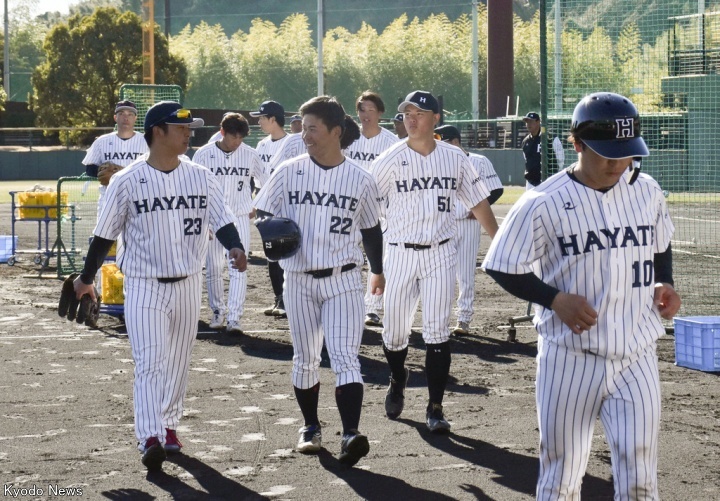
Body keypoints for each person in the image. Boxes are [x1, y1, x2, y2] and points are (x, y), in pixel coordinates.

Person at [482, 92, 681, 500]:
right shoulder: (543, 201)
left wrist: (664, 281)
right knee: (562, 473)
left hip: (636, 353)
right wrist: (553, 298)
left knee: (642, 473)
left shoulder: (646, 191)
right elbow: (500, 263)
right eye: (606, 153)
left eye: (625, 153)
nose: (616, 164)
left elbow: (660, 243)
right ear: (576, 143)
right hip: (570, 357)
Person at [71, 101, 248, 472]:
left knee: (178, 364)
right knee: (151, 362)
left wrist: (235, 245)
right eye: (180, 127)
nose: (189, 133)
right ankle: (149, 435)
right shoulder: (126, 180)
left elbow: (223, 219)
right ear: (157, 132)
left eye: (189, 127)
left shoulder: (200, 176)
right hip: (144, 285)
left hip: (188, 283)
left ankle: (168, 425)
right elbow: (102, 237)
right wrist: (86, 279)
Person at [254, 96, 384, 467]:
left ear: (335, 132)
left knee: (345, 357)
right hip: (298, 279)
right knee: (306, 359)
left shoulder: (360, 178)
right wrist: (273, 230)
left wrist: (377, 270)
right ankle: (310, 426)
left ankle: (351, 433)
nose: (305, 134)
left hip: (343, 279)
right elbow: (263, 211)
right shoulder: (288, 170)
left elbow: (372, 229)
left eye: (312, 128)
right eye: (303, 126)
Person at [370, 90, 498, 433]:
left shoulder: (454, 158)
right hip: (397, 252)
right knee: (394, 333)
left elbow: (479, 202)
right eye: (406, 113)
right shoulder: (388, 159)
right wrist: (372, 261)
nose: (411, 119)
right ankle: (398, 376)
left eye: (419, 113)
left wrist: (498, 243)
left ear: (435, 118)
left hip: (440, 251)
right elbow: (366, 205)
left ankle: (435, 407)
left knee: (438, 332)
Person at [192, 113, 266, 333]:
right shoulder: (203, 154)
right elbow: (194, 188)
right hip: (213, 219)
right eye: (234, 137)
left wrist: (257, 204)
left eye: (241, 138)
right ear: (222, 132)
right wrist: (200, 220)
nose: (237, 142)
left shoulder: (250, 155)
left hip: (240, 216)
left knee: (238, 267)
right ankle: (218, 311)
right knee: (214, 267)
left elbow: (266, 182)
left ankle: (234, 317)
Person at [434, 125, 503, 336]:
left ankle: (463, 318)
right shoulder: (438, 162)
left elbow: (497, 189)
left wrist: (480, 208)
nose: (438, 146)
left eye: (442, 141)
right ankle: (441, 319)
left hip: (469, 225)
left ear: (455, 141)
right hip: (445, 225)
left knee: (465, 274)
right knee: (441, 274)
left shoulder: (479, 161)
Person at [342, 91, 399, 328]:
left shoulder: (391, 142)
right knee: (348, 256)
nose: (366, 115)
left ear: (380, 113)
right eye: (362, 110)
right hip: (348, 206)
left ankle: (373, 308)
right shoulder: (348, 137)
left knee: (378, 258)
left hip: (379, 208)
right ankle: (351, 303)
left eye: (371, 110)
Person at [250, 100, 306, 318]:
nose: (259, 121)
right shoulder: (262, 144)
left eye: (262, 117)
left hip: (287, 203)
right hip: (266, 203)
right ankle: (279, 299)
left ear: (273, 119)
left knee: (291, 249)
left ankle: (294, 297)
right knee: (272, 251)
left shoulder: (294, 143)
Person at [82, 100, 148, 214]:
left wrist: (121, 172)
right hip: (108, 199)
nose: (125, 117)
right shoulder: (102, 141)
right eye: (121, 113)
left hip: (138, 199)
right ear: (115, 117)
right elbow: (89, 168)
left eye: (130, 114)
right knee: (104, 232)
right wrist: (105, 171)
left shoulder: (147, 141)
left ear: (135, 118)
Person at [521, 111, 565, 189]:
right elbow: (526, 160)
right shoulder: (525, 141)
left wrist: (555, 176)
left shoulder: (551, 137)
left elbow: (560, 158)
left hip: (549, 181)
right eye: (527, 122)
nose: (528, 124)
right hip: (531, 182)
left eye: (531, 121)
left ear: (538, 122)